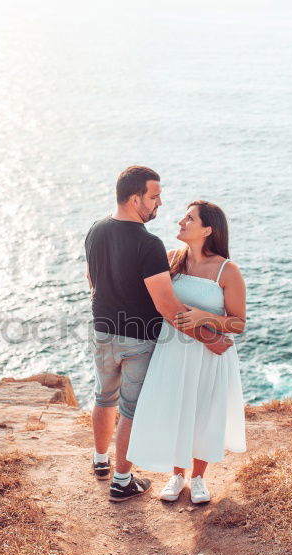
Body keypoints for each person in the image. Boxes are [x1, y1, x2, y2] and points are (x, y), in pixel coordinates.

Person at [84, 168, 234, 502]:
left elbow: (91, 280)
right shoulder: (149, 244)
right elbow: (168, 307)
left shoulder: (96, 229)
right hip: (138, 338)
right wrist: (211, 338)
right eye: (154, 197)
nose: (160, 204)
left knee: (103, 396)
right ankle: (122, 480)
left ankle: (99, 460)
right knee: (130, 409)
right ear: (135, 198)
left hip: (102, 331)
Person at [126, 200, 247, 504]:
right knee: (177, 410)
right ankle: (177, 474)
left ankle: (198, 478)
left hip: (210, 356)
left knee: (204, 413)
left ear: (208, 229)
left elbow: (238, 322)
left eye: (189, 218)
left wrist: (201, 317)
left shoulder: (227, 270)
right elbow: (156, 302)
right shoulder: (170, 259)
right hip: (172, 351)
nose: (180, 221)